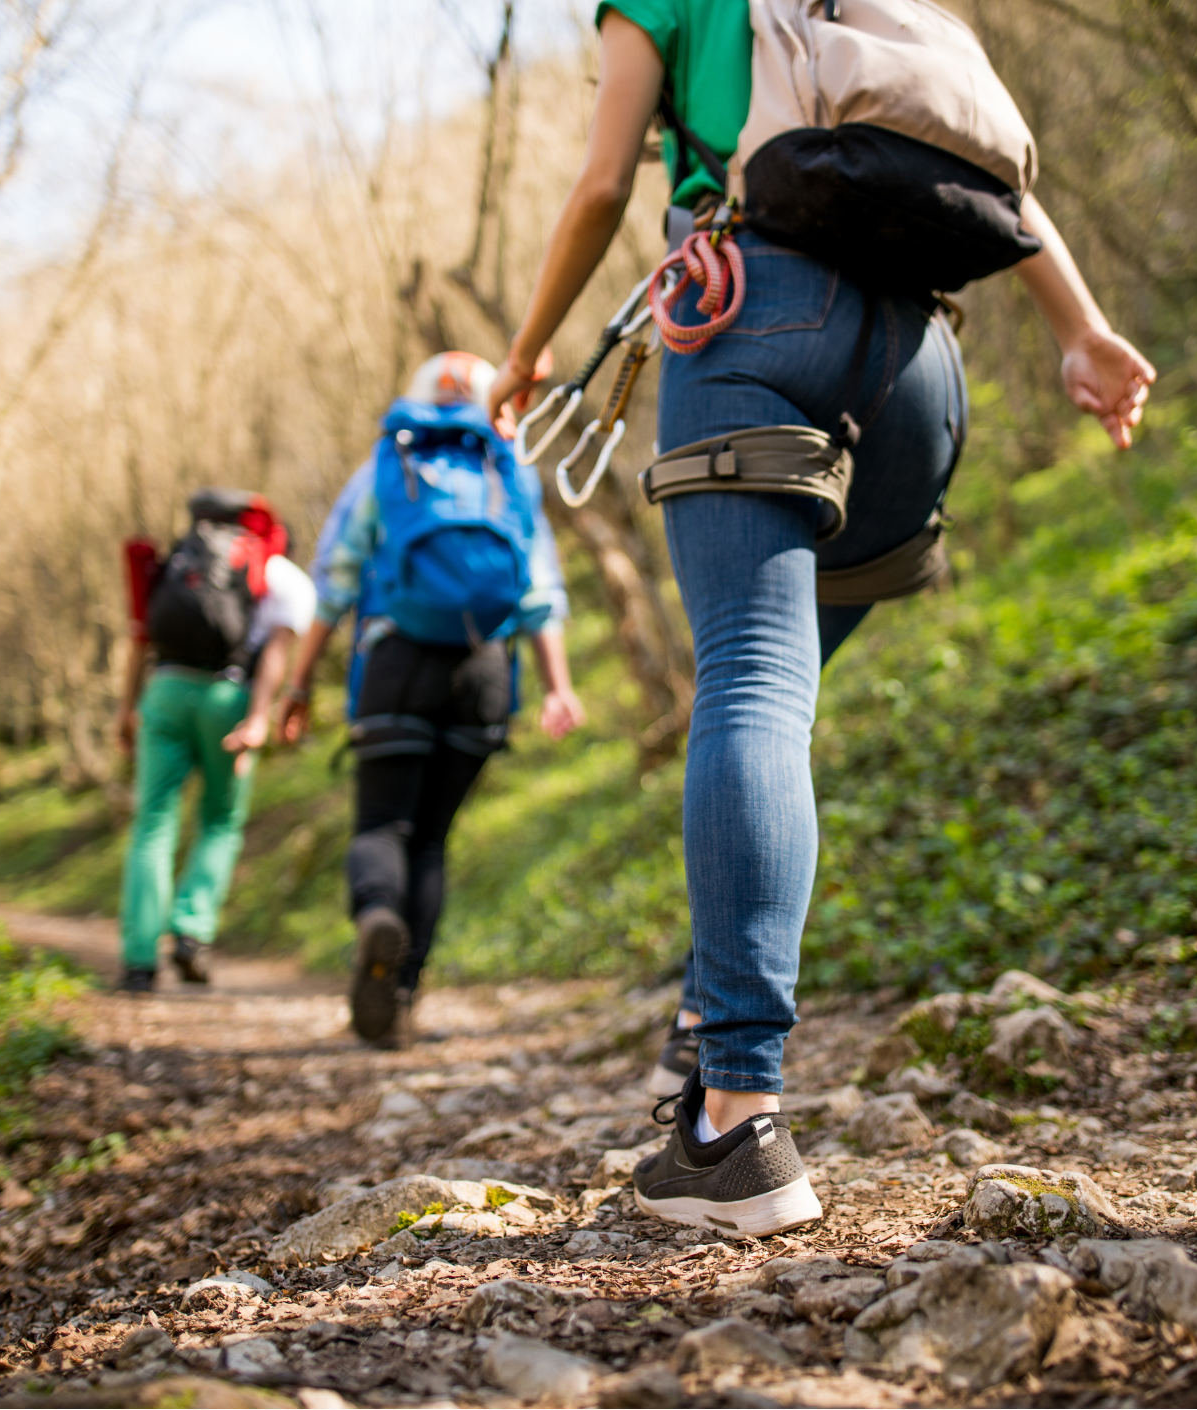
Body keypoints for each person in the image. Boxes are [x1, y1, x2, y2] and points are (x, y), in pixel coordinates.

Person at [488, 2, 1155, 1235]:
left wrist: (528, 351)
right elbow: (991, 167)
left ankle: (733, 1122)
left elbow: (595, 187)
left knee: (750, 680)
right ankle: (705, 1013)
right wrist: (1081, 327)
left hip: (748, 315)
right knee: (771, 690)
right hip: (919, 373)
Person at [282, 352, 586, 1047]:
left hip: (397, 662)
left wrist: (299, 686)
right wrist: (559, 688)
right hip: (483, 670)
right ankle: (406, 995)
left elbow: (334, 581)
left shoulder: (388, 465)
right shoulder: (510, 469)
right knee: (433, 840)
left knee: (383, 825)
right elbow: (540, 593)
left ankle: (376, 917)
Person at [116, 490, 315, 992]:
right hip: (227, 696)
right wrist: (257, 717)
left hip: (164, 690)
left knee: (153, 823)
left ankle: (139, 960)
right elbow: (276, 649)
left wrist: (126, 707)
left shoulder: (179, 561)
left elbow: (141, 636)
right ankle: (191, 932)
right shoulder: (276, 571)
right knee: (221, 820)